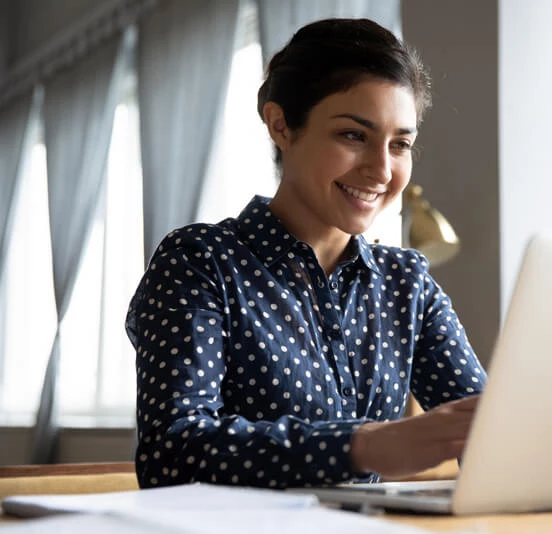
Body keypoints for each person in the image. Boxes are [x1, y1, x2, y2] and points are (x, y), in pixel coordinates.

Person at [126, 17, 486, 490]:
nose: (382, 170)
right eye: (354, 135)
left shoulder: (407, 282)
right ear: (281, 126)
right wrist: (364, 445)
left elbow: (487, 432)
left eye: (400, 144)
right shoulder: (200, 262)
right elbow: (170, 452)